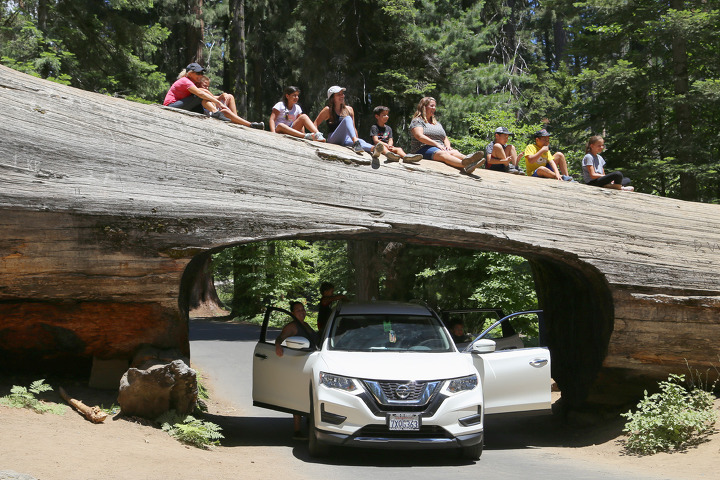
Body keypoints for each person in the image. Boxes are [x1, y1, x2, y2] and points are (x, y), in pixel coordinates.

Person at [163, 62, 263, 129]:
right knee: (199, 96)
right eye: (198, 73)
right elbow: (200, 94)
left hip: (181, 105)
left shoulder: (189, 82)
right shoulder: (185, 81)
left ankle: (242, 122)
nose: (200, 75)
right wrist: (218, 102)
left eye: (201, 73)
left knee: (203, 97)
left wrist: (219, 98)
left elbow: (202, 94)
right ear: (190, 73)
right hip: (171, 106)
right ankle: (216, 113)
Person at [274, 301, 318, 440]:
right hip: (298, 364)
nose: (302, 312)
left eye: (303, 309)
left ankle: (310, 422)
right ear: (292, 313)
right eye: (298, 310)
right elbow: (280, 338)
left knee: (309, 394)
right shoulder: (292, 327)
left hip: (309, 363)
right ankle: (297, 431)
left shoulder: (305, 325)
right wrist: (277, 346)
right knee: (298, 396)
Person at [409, 97, 485, 174]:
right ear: (423, 107)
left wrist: (448, 146)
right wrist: (436, 144)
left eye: (435, 106)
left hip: (439, 147)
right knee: (443, 154)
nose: (434, 108)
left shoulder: (436, 123)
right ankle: (465, 165)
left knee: (454, 152)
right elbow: (419, 136)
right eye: (431, 106)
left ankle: (471, 160)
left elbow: (444, 137)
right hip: (422, 148)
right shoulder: (417, 121)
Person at [314, 86, 373, 154]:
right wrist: (317, 136)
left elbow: (353, 128)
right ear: (332, 98)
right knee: (347, 119)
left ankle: (374, 148)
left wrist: (357, 138)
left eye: (342, 94)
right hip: (333, 139)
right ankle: (356, 142)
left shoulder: (349, 109)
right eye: (339, 94)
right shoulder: (327, 110)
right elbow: (315, 124)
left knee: (361, 141)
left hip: (346, 139)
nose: (342, 96)